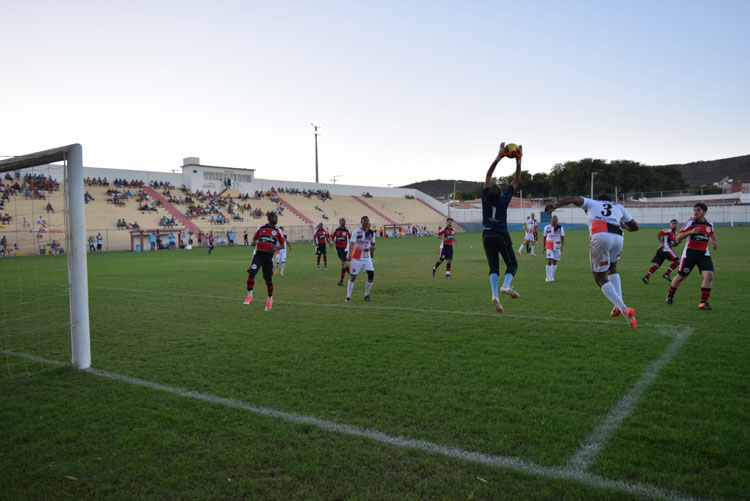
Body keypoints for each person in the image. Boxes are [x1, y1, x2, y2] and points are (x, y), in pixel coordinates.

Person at [544, 195, 639, 328]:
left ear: (599, 199)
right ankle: (618, 306)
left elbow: (574, 199)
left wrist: (556, 205)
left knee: (600, 278)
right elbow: (635, 227)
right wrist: (620, 223)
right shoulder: (619, 207)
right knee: (613, 268)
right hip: (618, 236)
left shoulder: (593, 203)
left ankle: (623, 308)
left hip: (600, 234)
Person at [481, 142, 522, 313]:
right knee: (512, 264)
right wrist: (519, 160)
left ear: (489, 191)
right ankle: (505, 286)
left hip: (486, 235)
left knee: (494, 267)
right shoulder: (504, 199)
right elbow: (516, 180)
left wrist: (499, 157)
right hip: (501, 235)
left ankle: (494, 294)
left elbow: (488, 174)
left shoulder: (485, 197)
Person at [666, 203, 718, 310]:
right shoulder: (691, 222)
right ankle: (670, 296)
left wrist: (714, 242)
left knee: (709, 276)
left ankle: (703, 303)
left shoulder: (709, 224)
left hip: (704, 254)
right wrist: (690, 231)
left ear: (704, 212)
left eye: (698, 210)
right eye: (694, 210)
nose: (695, 212)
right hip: (690, 254)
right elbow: (678, 237)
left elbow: (711, 233)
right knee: (680, 277)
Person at [245, 212, 285, 311]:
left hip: (268, 258)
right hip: (258, 255)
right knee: (251, 273)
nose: (276, 219)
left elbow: (282, 245)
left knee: (268, 280)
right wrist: (253, 242)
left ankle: (270, 299)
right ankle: (249, 296)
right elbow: (254, 239)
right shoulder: (261, 228)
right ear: (270, 218)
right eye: (275, 217)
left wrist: (275, 248)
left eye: (277, 218)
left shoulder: (278, 231)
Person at [346, 216, 376, 302]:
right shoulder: (357, 232)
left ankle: (366, 295)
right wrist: (349, 254)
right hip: (356, 257)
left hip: (367, 257)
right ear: (361, 222)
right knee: (353, 277)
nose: (366, 222)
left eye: (367, 220)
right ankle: (348, 297)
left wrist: (373, 247)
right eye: (364, 220)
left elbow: (373, 244)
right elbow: (352, 244)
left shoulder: (371, 233)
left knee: (371, 274)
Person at [642, 219, 681, 284]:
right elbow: (659, 234)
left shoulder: (675, 234)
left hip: (663, 250)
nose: (674, 225)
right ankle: (667, 274)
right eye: (673, 223)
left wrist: (678, 242)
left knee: (657, 265)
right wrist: (662, 243)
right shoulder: (669, 230)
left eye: (676, 223)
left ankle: (646, 277)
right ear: (670, 225)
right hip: (666, 249)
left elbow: (673, 245)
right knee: (678, 261)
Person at [542, 214, 565, 282]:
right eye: (553, 219)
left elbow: (562, 237)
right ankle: (547, 277)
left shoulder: (560, 227)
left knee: (555, 262)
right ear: (551, 220)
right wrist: (543, 247)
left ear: (557, 220)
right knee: (549, 260)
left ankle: (552, 277)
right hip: (549, 245)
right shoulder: (546, 227)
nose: (554, 220)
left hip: (557, 246)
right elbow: (544, 237)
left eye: (555, 219)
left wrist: (562, 246)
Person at [331, 218, 352, 286]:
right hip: (338, 249)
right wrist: (331, 242)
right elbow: (331, 237)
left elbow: (352, 240)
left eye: (344, 221)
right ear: (339, 222)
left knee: (343, 263)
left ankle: (345, 279)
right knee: (343, 265)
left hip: (345, 249)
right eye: (341, 221)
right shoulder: (336, 230)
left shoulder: (348, 230)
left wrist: (351, 251)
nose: (343, 222)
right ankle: (347, 277)